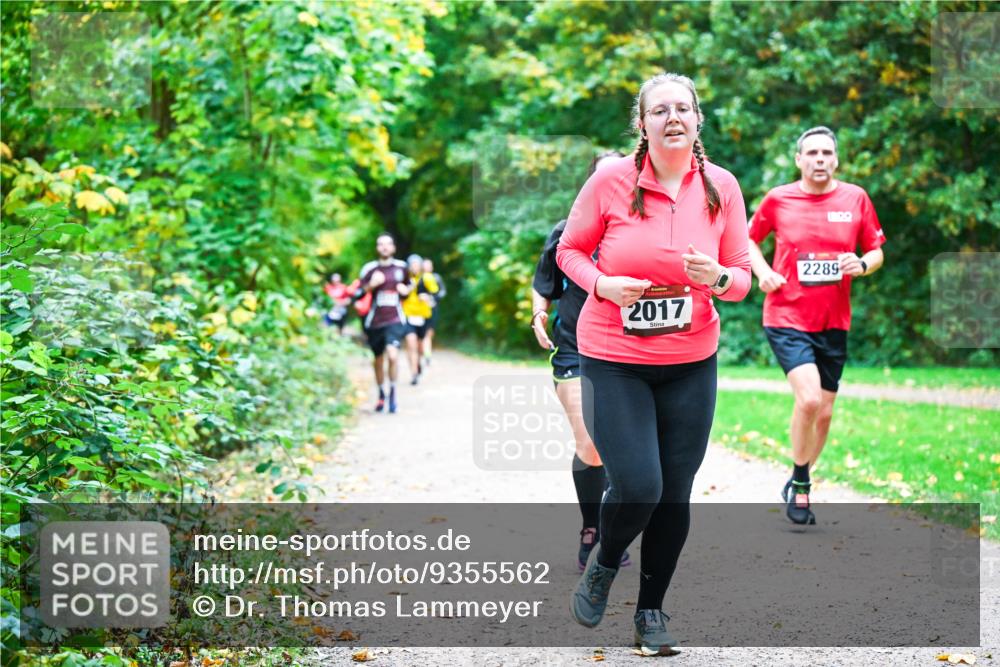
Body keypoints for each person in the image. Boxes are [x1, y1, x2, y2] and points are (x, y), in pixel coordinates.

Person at [557, 72, 751, 655]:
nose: (673, 117)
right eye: (660, 109)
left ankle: (650, 615)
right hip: (615, 357)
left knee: (674, 493)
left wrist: (717, 279)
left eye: (684, 108)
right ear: (641, 123)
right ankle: (606, 561)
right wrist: (604, 284)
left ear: (697, 121)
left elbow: (741, 274)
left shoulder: (722, 187)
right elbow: (568, 251)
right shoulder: (610, 180)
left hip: (692, 360)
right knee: (640, 484)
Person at [748, 126, 886, 525]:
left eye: (827, 152)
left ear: (836, 159)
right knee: (808, 399)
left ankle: (801, 476)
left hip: (833, 321)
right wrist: (762, 272)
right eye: (812, 153)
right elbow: (748, 238)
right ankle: (801, 478)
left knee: (824, 412)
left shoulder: (855, 198)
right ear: (799, 160)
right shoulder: (779, 199)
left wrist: (861, 265)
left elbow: (875, 250)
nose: (820, 159)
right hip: (786, 315)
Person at [530, 150, 633, 572]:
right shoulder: (565, 232)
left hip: (627, 350)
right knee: (591, 442)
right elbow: (544, 284)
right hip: (573, 348)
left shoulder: (638, 229)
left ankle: (613, 526)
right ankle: (593, 527)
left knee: (619, 446)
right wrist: (538, 313)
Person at [359, 233, 412, 413]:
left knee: (393, 355)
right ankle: (382, 393)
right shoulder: (370, 269)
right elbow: (358, 292)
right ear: (377, 248)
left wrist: (405, 290)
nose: (384, 247)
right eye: (380, 244)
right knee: (378, 359)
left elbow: (410, 287)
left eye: (388, 244)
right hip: (375, 321)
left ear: (393, 248)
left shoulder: (402, 268)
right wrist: (372, 285)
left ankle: (393, 393)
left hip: (395, 319)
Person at [401, 253, 439, 385]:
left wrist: (428, 298)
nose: (415, 267)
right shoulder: (404, 279)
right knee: (411, 344)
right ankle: (414, 373)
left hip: (423, 316)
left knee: (420, 347)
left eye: (417, 265)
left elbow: (437, 294)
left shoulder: (427, 278)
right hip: (408, 315)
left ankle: (418, 363)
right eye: (412, 265)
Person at [421, 258, 444, 367]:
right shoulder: (418, 278)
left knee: (429, 333)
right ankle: (421, 354)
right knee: (420, 334)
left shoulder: (436, 278)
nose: (427, 267)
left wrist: (433, 299)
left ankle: (427, 355)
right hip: (418, 310)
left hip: (432, 309)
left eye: (429, 265)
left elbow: (442, 291)